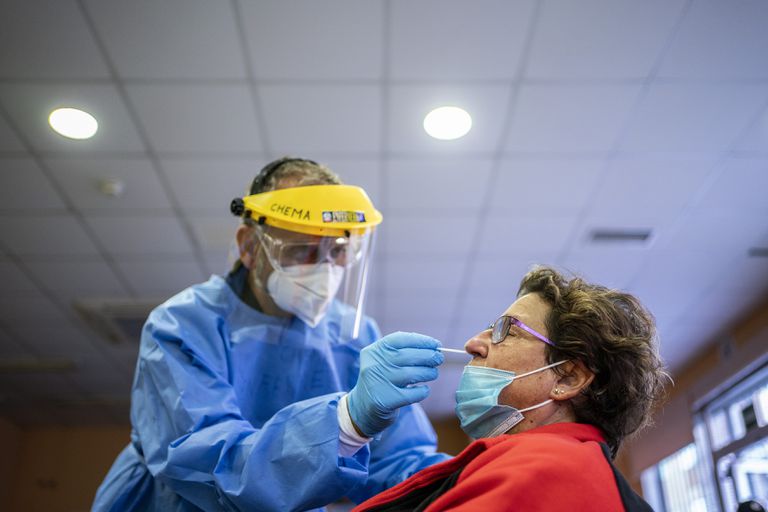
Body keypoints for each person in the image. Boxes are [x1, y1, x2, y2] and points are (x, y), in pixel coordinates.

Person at [92, 157, 450, 512]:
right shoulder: (181, 326)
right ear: (249, 246)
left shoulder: (352, 336)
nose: (324, 268)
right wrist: (344, 422)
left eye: (337, 251)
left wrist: (471, 475)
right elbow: (215, 469)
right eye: (301, 249)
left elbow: (398, 465)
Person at [354, 266, 669, 511]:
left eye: (506, 330)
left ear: (568, 378)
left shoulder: (551, 474)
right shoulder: (546, 466)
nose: (473, 344)